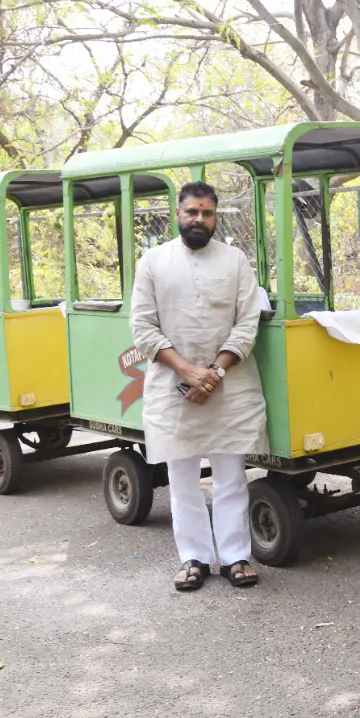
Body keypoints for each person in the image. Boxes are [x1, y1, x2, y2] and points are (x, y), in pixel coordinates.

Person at [130, 181, 269, 592]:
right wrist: (188, 371)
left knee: (231, 474)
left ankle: (235, 557)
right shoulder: (153, 262)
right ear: (178, 213)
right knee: (183, 476)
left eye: (207, 213)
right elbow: (142, 326)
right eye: (192, 211)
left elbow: (248, 322)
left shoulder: (235, 260)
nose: (199, 219)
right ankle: (194, 559)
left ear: (215, 216)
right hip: (172, 384)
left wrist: (213, 373)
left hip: (230, 382)